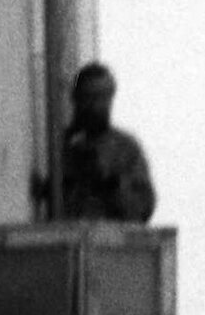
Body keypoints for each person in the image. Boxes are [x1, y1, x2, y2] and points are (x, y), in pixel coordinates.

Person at [56, 62, 157, 221]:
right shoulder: (57, 147)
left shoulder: (126, 149)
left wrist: (110, 183)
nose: (96, 105)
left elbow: (144, 208)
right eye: (89, 97)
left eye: (103, 96)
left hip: (111, 241)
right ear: (76, 99)